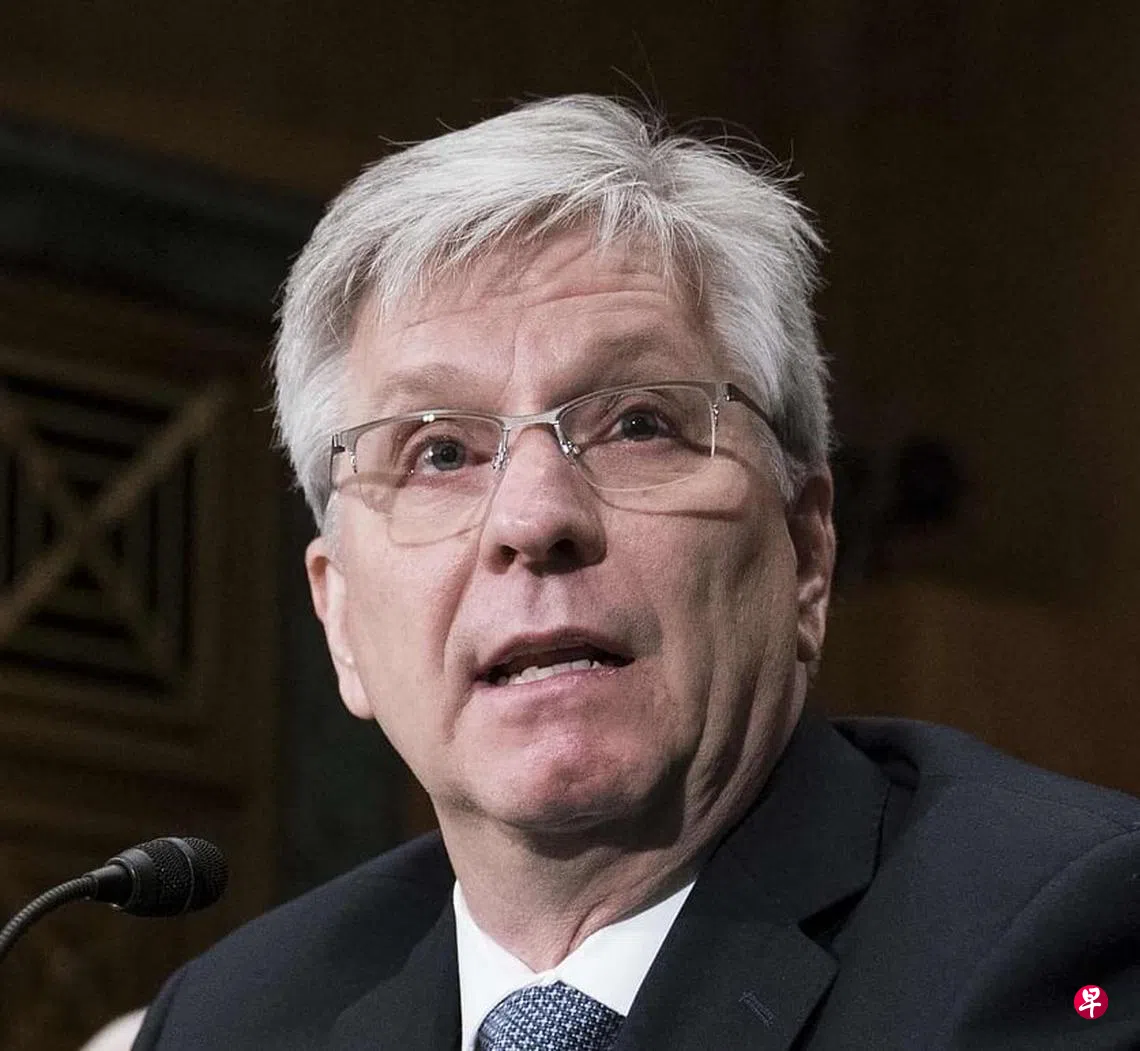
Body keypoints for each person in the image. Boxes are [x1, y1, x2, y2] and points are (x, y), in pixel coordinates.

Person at [134, 95, 1139, 1050]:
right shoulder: (235, 1020)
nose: (534, 518)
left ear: (807, 551)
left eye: (637, 424)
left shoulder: (1058, 932)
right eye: (439, 451)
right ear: (341, 617)